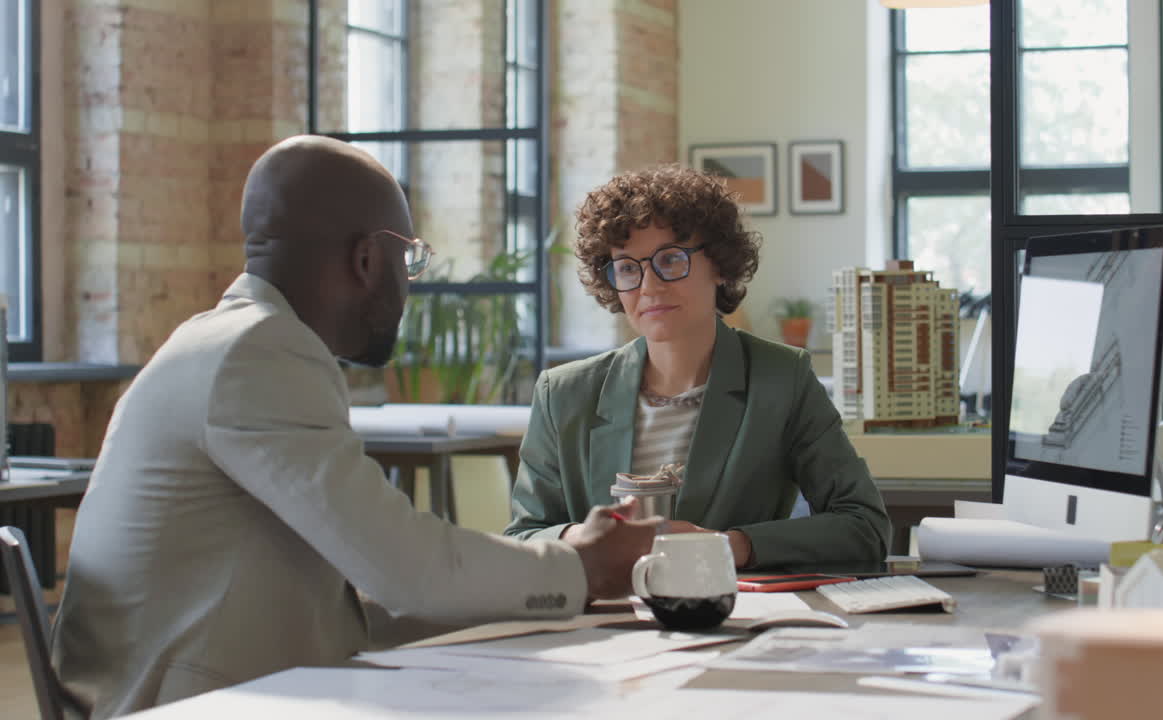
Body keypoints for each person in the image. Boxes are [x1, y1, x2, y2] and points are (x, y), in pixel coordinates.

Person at [50, 136, 659, 718]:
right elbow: (404, 567)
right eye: (408, 261)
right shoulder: (257, 352)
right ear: (367, 259)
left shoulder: (229, 339)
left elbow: (352, 591)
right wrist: (579, 567)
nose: (407, 287)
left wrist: (558, 594)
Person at [505, 165, 891, 569]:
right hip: (604, 621)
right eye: (627, 268)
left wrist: (727, 545)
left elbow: (864, 526)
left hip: (732, 616)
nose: (649, 287)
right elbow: (523, 535)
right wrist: (581, 537)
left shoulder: (781, 378)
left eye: (671, 260)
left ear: (720, 265)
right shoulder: (564, 393)